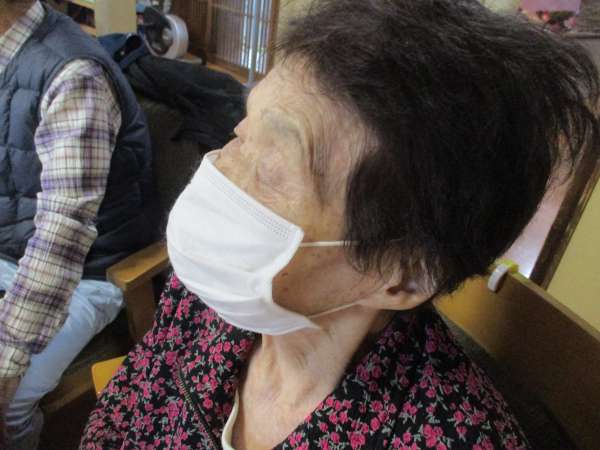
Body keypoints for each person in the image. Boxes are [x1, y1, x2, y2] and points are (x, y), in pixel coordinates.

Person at [81, 0, 598, 448]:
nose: (219, 173)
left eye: (272, 169)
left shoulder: (451, 436)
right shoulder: (210, 296)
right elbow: (121, 418)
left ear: (400, 276)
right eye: (241, 133)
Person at [0, 0, 155, 448]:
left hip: (87, 273)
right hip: (12, 248)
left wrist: (7, 363)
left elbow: (62, 236)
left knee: (7, 403)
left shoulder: (74, 76)